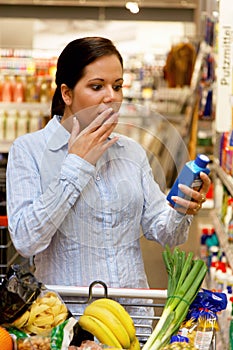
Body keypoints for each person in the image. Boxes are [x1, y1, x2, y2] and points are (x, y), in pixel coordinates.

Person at [6, 37, 211, 335]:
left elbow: (163, 231)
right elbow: (26, 240)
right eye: (97, 86)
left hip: (133, 323)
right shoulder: (30, 151)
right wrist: (77, 164)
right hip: (67, 326)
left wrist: (182, 207)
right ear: (66, 93)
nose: (111, 97)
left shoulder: (131, 151)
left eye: (117, 86)